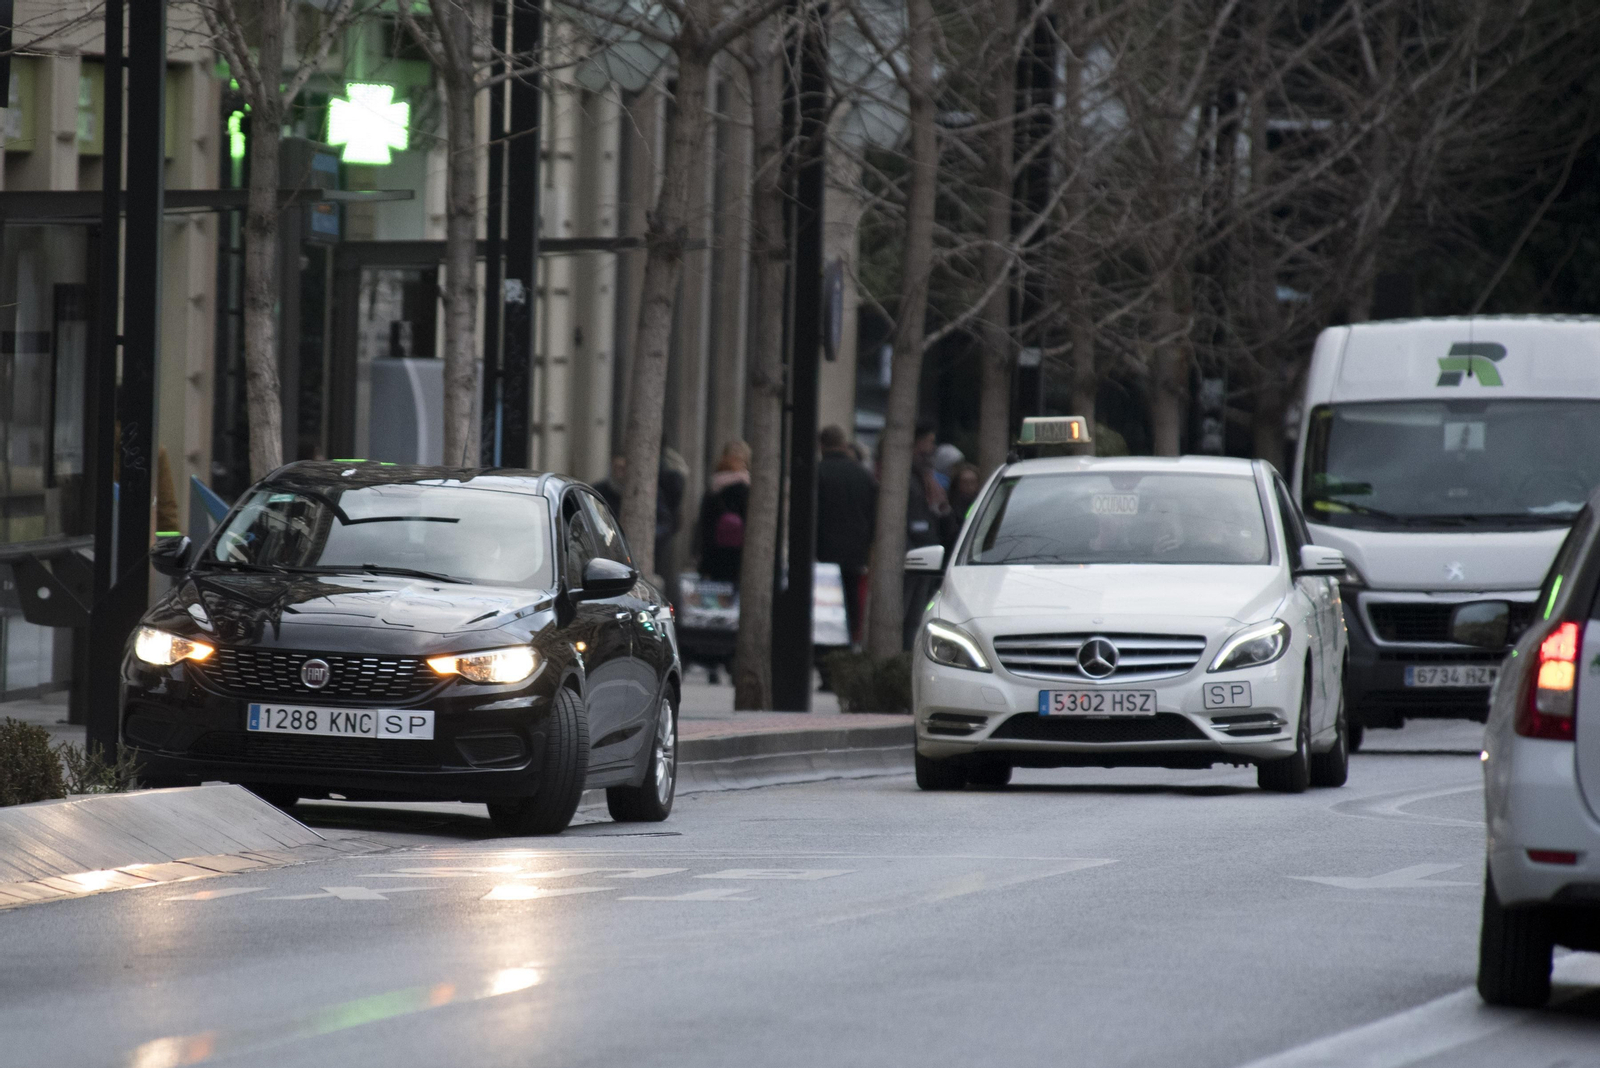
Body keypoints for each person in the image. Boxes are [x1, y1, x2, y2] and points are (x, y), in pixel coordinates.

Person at [816, 425, 877, 646]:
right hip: (855, 550)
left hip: (823, 551)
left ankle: (824, 648)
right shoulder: (862, 474)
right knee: (851, 601)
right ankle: (848, 643)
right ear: (844, 444)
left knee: (822, 605)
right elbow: (873, 513)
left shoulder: (818, 472)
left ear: (821, 445)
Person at [904, 423, 950, 649]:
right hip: (915, 550)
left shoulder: (926, 475)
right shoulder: (909, 475)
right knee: (908, 613)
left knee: (917, 613)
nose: (932, 447)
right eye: (929, 441)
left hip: (927, 550)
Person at [696, 441, 751, 584]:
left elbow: (705, 524)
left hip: (715, 552)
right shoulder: (745, 486)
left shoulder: (714, 484)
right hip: (737, 552)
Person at [942, 462, 982, 550]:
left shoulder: (981, 504)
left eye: (973, 482)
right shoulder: (949, 506)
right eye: (965, 482)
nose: (969, 486)